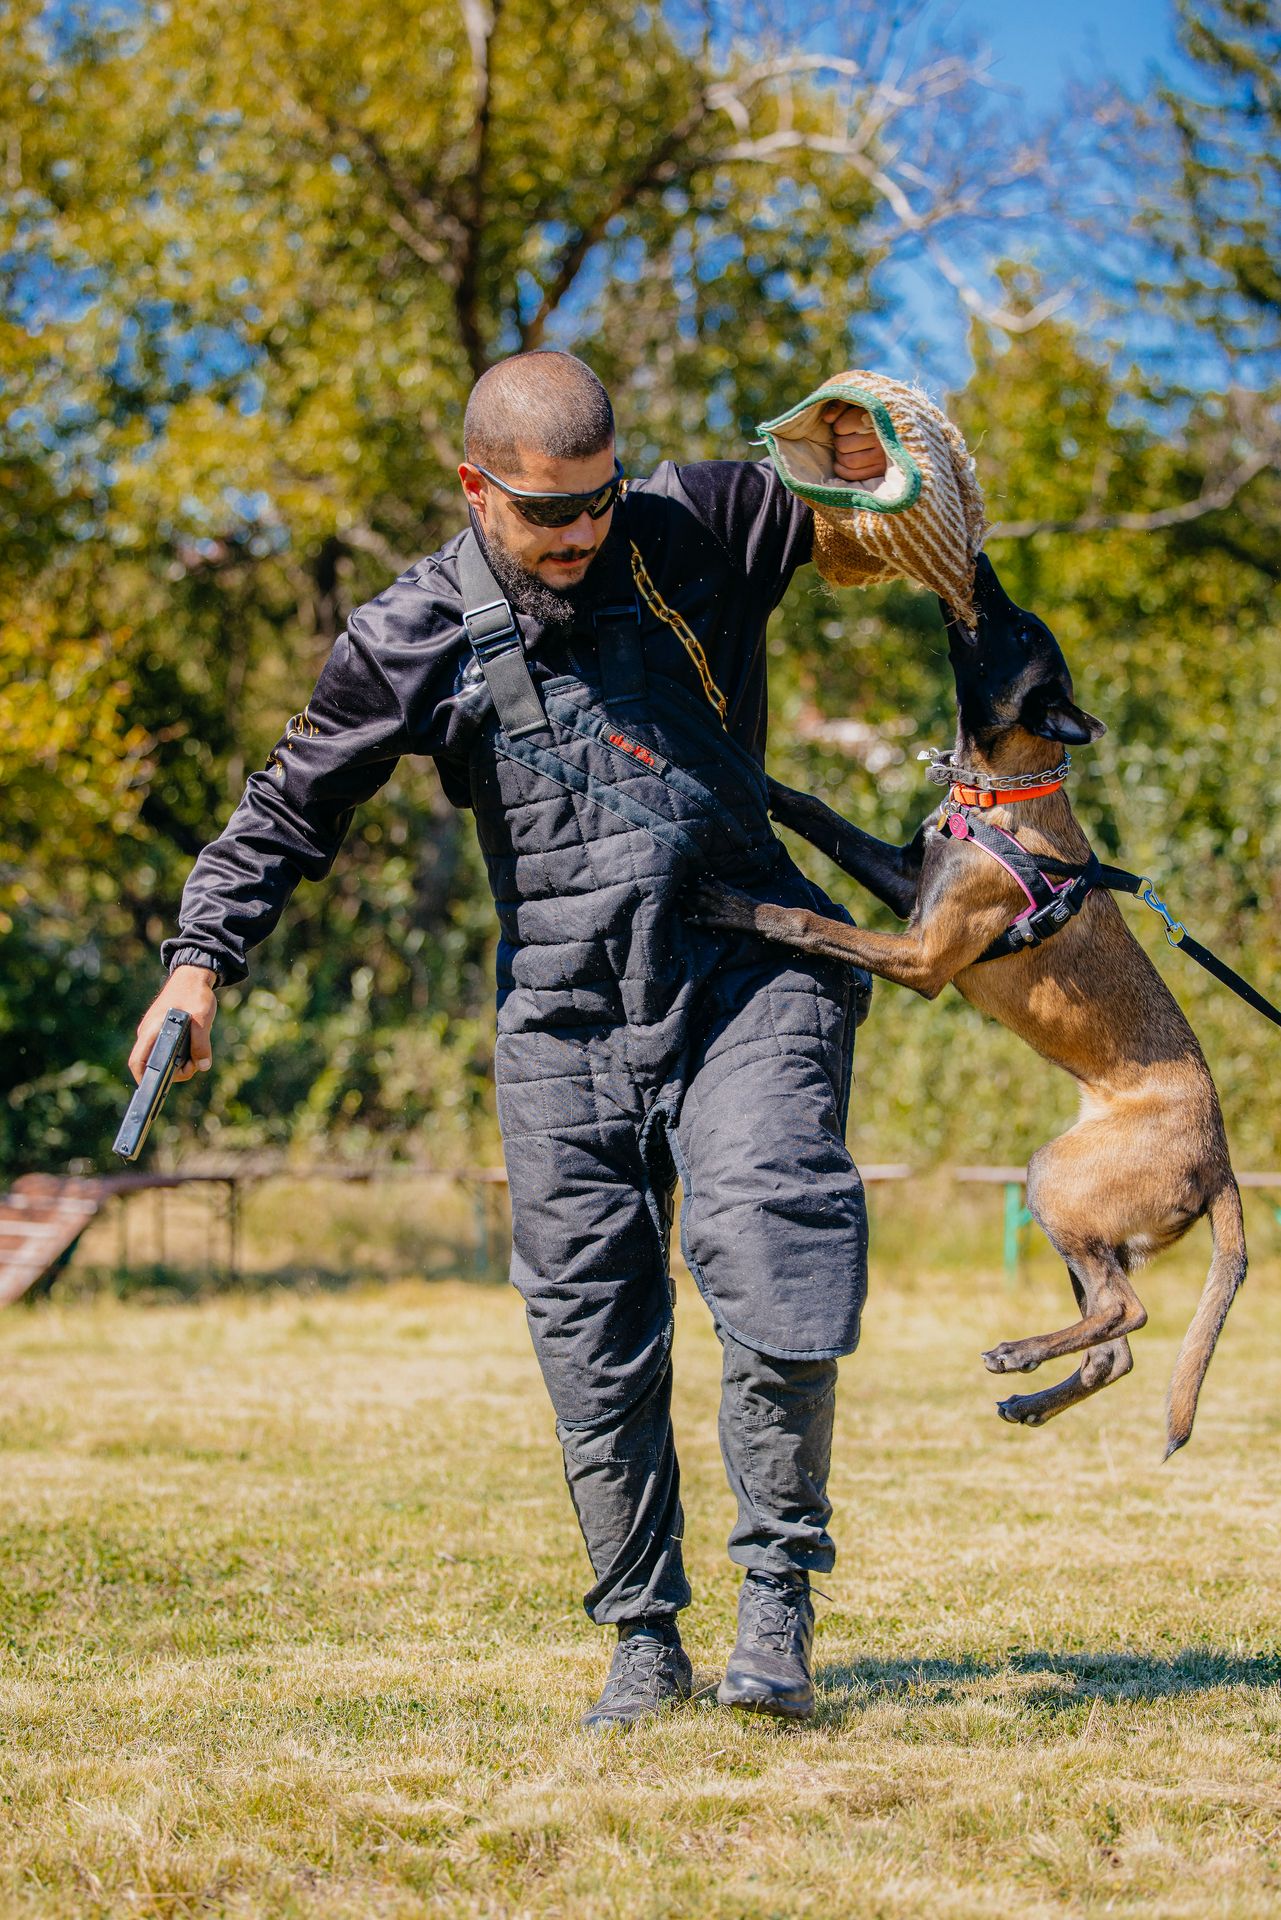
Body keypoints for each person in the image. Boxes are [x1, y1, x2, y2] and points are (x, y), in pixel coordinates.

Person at [129, 351, 887, 1728]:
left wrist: (870, 447)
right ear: (476, 487)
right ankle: (643, 1637)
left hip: (749, 973)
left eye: (599, 499)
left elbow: (875, 502)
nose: (583, 532)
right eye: (548, 512)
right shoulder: (412, 631)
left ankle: (776, 1600)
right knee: (592, 1330)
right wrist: (199, 962)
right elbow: (289, 808)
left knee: (780, 1249)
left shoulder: (697, 524)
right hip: (561, 1016)